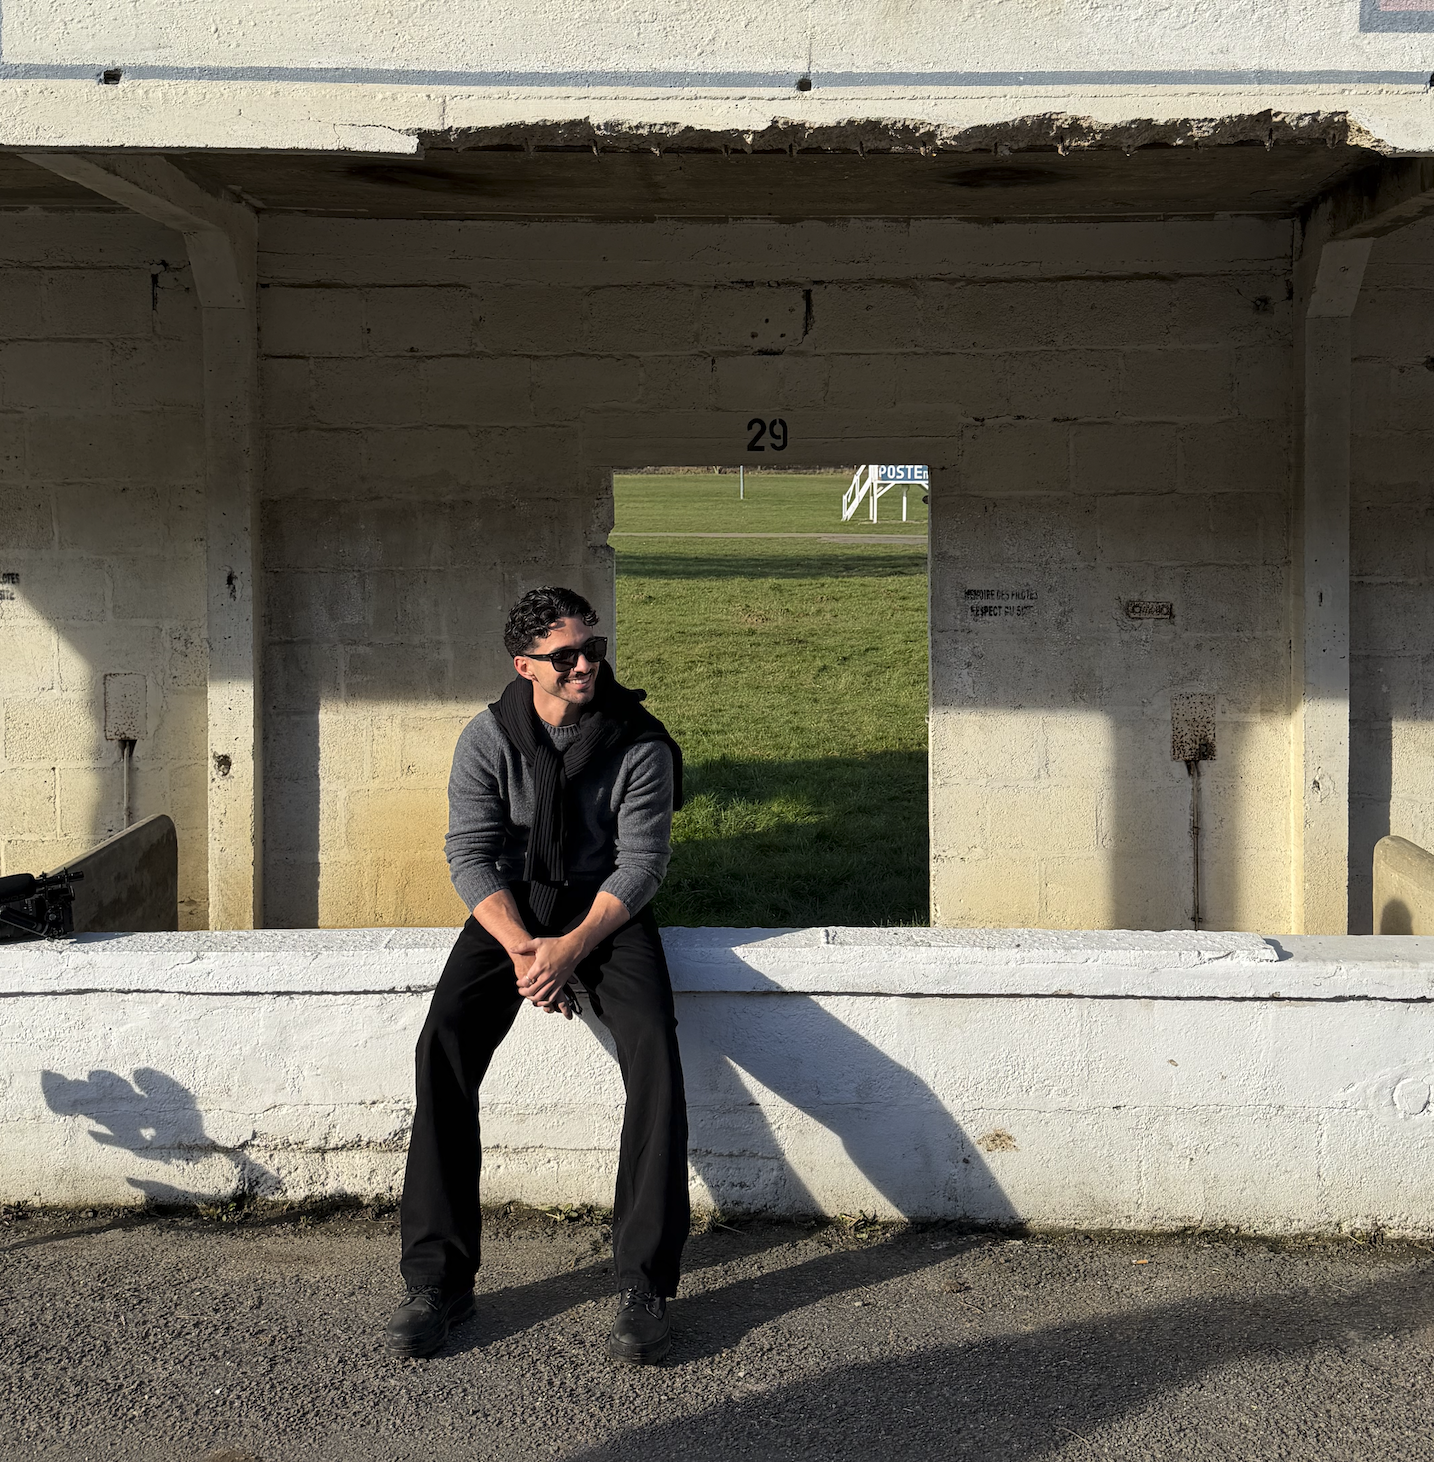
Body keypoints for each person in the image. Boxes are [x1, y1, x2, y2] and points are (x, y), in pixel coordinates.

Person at [383, 585, 689, 1364]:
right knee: (443, 1042)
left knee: (653, 1048)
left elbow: (644, 864)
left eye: (594, 647)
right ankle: (438, 1282)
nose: (587, 663)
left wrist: (571, 948)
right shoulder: (488, 738)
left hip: (604, 911)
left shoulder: (640, 743)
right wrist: (527, 949)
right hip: (513, 909)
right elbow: (469, 852)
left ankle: (645, 1282)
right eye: (566, 656)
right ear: (526, 666)